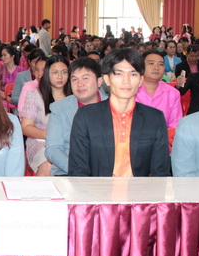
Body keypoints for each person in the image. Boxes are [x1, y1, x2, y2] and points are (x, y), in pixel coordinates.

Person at [68, 49, 171, 177]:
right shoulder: (86, 116)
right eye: (119, 74)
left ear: (140, 80)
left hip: (139, 189)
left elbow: (160, 173)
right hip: (97, 188)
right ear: (107, 79)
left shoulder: (154, 118)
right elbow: (78, 170)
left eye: (133, 74)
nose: (126, 81)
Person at [45, 57, 105, 176]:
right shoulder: (59, 108)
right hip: (69, 171)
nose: (79, 84)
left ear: (99, 81)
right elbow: (53, 149)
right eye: (74, 79)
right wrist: (78, 169)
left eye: (85, 78)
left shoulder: (113, 106)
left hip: (107, 174)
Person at [19, 55, 70, 175]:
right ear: (47, 74)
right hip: (40, 142)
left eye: (64, 72)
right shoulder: (35, 95)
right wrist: (51, 135)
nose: (60, 76)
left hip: (68, 143)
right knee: (49, 164)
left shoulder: (73, 96)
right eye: (55, 72)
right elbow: (25, 127)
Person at [135, 51, 183, 128]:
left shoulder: (172, 93)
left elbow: (175, 125)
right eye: (151, 63)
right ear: (141, 66)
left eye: (161, 64)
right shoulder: (131, 90)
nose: (156, 68)